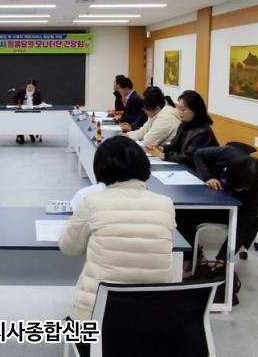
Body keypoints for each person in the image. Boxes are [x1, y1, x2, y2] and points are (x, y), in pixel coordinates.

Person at [59, 136, 176, 321]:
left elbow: (69, 248)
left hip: (99, 318)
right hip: (153, 318)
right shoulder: (166, 204)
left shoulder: (92, 202)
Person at [182, 145, 258, 273]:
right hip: (212, 198)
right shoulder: (228, 153)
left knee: (244, 229)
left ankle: (223, 263)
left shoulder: (257, 192)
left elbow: (242, 228)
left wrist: (224, 258)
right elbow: (198, 153)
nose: (237, 190)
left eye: (241, 189)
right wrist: (208, 177)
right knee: (184, 212)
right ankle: (189, 255)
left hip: (236, 213)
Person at [146, 90, 219, 168]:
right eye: (179, 108)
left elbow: (188, 158)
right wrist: (161, 148)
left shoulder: (202, 132)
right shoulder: (184, 124)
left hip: (203, 171)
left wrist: (162, 155)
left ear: (195, 110)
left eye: (183, 109)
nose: (179, 112)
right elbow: (174, 145)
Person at [14, 78, 42, 144]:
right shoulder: (22, 91)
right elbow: (15, 97)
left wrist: (38, 107)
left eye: (32, 87)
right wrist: (18, 104)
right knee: (21, 120)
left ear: (34, 87)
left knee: (31, 121)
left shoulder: (37, 92)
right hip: (22, 111)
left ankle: (30, 133)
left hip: (33, 112)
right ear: (26, 85)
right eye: (28, 86)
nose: (30, 88)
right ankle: (21, 136)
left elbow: (40, 103)